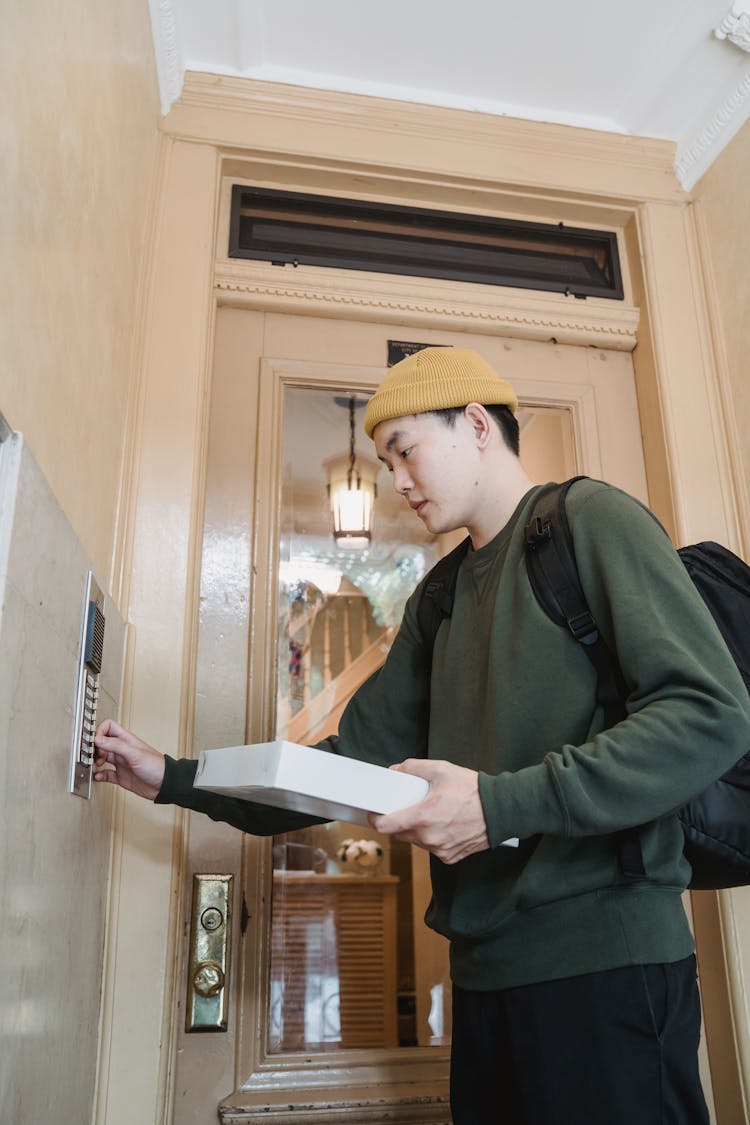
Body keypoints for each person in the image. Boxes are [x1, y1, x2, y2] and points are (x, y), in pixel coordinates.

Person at [94, 346, 750, 1125]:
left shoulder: (589, 521)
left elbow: (708, 712)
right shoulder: (438, 598)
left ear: (476, 424)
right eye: (384, 461)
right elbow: (343, 765)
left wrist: (499, 805)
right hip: (484, 980)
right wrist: (172, 776)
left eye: (405, 450)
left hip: (607, 967)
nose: (396, 480)